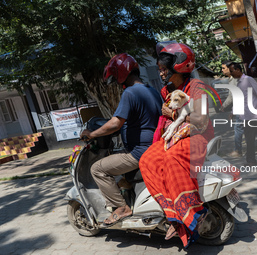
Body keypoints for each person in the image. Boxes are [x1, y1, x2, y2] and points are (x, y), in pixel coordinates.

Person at [139, 42, 214, 249]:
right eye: (160, 68)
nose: (161, 72)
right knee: (147, 160)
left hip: (196, 136)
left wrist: (170, 113)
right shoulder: (166, 90)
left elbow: (200, 121)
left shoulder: (197, 87)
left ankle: (190, 214)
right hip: (174, 136)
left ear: (178, 67)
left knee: (172, 159)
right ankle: (173, 214)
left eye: (164, 69)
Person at [80, 53, 162, 227]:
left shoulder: (130, 92)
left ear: (121, 73)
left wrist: (92, 134)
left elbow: (115, 123)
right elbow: (141, 121)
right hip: (155, 148)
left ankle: (121, 207)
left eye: (116, 78)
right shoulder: (151, 91)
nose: (117, 83)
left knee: (97, 169)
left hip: (140, 152)